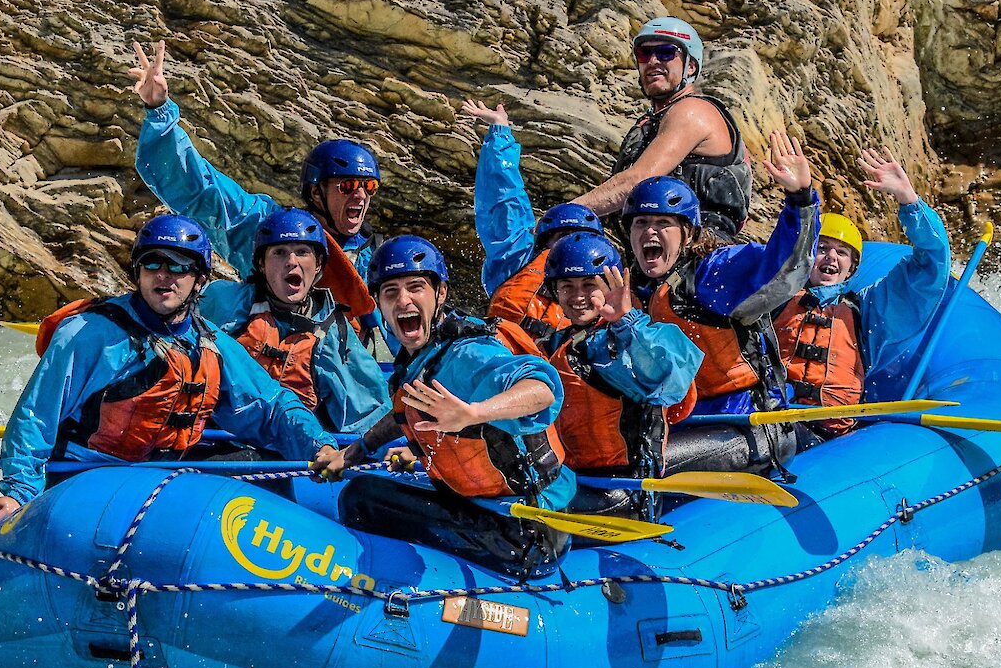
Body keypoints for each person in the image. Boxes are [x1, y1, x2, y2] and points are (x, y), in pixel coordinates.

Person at [0, 215, 339, 522]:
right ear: (138, 272)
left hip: (160, 481)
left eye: (180, 266)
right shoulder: (87, 334)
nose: (164, 277)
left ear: (198, 281)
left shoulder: (211, 345)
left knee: (263, 469)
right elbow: (35, 418)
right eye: (153, 264)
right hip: (82, 479)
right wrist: (18, 492)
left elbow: (271, 407)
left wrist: (318, 445)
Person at [314, 236, 575, 578]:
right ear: (379, 304)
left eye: (415, 287)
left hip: (524, 531)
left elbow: (541, 391)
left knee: (360, 498)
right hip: (491, 508)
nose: (403, 300)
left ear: (440, 295)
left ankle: (380, 596)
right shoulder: (422, 357)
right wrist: (356, 452)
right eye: (390, 292)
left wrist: (475, 413)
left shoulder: (467, 354)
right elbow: (402, 413)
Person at [129, 41, 385, 348]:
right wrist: (159, 110)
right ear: (316, 193)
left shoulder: (378, 256)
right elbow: (203, 190)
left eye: (368, 187)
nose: (359, 196)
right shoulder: (267, 226)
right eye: (347, 186)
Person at [624, 132, 818, 476]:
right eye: (641, 223)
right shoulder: (638, 294)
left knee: (643, 462)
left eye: (663, 223)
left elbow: (786, 268)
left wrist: (800, 199)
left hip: (750, 428)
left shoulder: (715, 273)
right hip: (691, 427)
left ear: (689, 234)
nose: (650, 232)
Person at [772, 148, 951, 442]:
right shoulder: (773, 295)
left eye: (841, 252)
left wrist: (909, 200)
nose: (831, 257)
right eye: (822, 248)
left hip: (825, 436)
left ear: (852, 268)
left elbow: (930, 265)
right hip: (766, 418)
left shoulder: (867, 311)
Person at [542, 232, 701, 517]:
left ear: (610, 287)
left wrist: (625, 321)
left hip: (627, 490)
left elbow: (670, 379)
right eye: (567, 286)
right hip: (579, 479)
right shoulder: (558, 342)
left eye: (589, 285)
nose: (578, 296)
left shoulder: (629, 337)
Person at [197, 207, 390, 435]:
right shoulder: (222, 300)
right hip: (214, 438)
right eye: (279, 252)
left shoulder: (334, 332)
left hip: (286, 449)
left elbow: (371, 417)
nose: (291, 261)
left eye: (302, 252)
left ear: (318, 265)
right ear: (261, 265)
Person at [568, 17, 752, 240]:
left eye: (666, 52)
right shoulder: (648, 123)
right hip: (654, 253)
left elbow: (636, 180)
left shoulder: (692, 110)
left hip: (701, 254)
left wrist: (564, 215)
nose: (653, 61)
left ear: (691, 66)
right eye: (644, 54)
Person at [462, 98, 602, 345]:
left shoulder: (609, 289)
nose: (572, 248)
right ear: (543, 243)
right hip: (505, 366)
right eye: (563, 239)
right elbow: (503, 197)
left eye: (581, 241)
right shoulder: (518, 259)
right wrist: (500, 131)